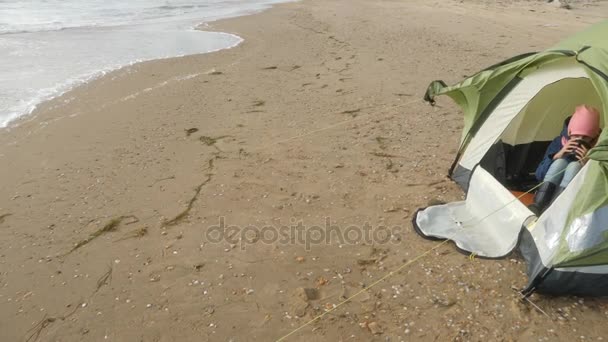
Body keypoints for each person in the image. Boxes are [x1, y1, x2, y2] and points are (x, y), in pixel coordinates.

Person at [529, 105, 601, 215]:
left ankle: (556, 209)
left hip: (573, 199)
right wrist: (558, 154)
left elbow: (598, 186)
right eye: (576, 136)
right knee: (559, 163)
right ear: (570, 132)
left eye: (585, 137)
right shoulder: (558, 142)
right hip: (547, 191)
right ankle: (538, 204)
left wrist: (588, 164)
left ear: (594, 136)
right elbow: (539, 174)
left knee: (574, 166)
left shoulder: (598, 149)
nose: (579, 141)